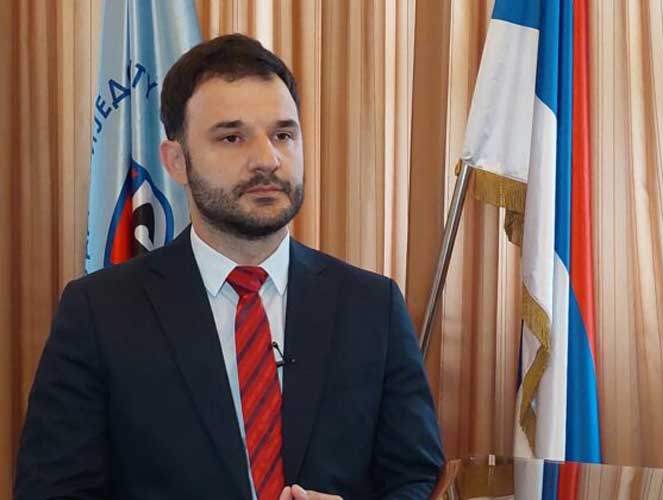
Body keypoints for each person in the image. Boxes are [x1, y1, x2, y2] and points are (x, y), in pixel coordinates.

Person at [15, 34, 444, 500]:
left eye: (283, 135)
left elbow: (416, 478)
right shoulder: (99, 312)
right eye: (232, 137)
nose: (267, 159)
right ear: (176, 161)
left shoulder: (372, 306)